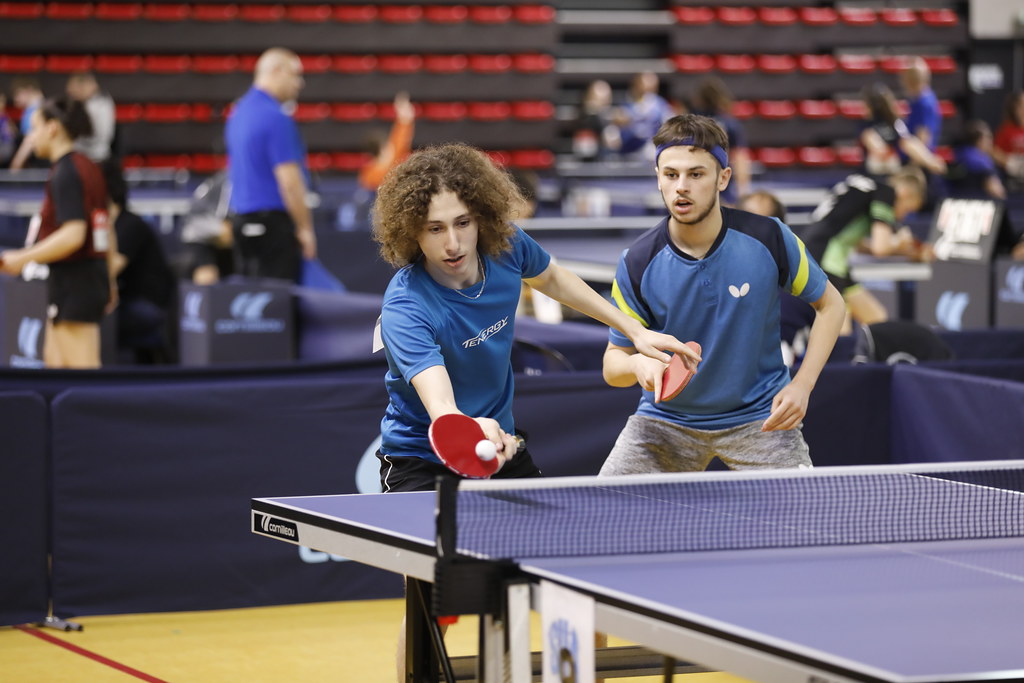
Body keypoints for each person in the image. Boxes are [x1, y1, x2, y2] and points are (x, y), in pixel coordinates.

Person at [371, 143, 693, 680]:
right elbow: (442, 409)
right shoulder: (406, 306)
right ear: (411, 231)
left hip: (502, 449)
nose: (452, 243)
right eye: (433, 229)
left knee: (564, 578)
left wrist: (634, 330)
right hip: (423, 458)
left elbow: (555, 280)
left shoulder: (504, 246)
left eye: (462, 222)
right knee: (433, 602)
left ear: (482, 216)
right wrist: (473, 427)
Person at [600, 114, 845, 475]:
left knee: (807, 523)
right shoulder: (637, 261)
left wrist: (802, 385)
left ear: (723, 178)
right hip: (665, 422)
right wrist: (637, 364)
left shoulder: (769, 238)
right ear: (658, 179)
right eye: (671, 174)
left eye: (696, 174)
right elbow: (612, 363)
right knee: (602, 515)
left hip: (760, 419)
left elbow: (832, 305)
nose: (681, 186)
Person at [0, 96, 116, 368]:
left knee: (82, 376)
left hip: (75, 283)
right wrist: (108, 278)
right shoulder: (88, 166)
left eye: (35, 127)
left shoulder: (67, 172)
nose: (31, 136)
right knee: (55, 365)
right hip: (87, 279)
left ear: (52, 128)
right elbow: (105, 228)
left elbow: (74, 234)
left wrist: (23, 258)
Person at [225, 47, 316, 281]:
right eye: (295, 74)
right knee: (278, 310)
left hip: (241, 224)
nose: (300, 83)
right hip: (273, 228)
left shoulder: (237, 113)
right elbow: (290, 182)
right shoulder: (276, 117)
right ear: (276, 71)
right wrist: (305, 229)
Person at [800, 168, 928, 331]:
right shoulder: (887, 192)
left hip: (826, 259)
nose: (903, 216)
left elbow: (859, 245)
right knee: (840, 333)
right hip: (824, 262)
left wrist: (907, 252)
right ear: (903, 193)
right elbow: (880, 248)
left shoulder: (865, 186)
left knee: (877, 319)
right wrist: (900, 242)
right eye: (907, 209)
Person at [103, 162, 176, 363]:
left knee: (89, 321)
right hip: (123, 300)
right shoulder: (103, 227)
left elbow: (111, 268)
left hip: (147, 304)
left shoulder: (130, 224)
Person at [859, 83, 946, 178]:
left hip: (896, 164)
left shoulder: (895, 122)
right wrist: (883, 151)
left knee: (908, 143)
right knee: (871, 138)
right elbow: (872, 142)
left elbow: (907, 141)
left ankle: (930, 162)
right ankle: (928, 163)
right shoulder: (866, 125)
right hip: (878, 165)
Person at [691, 76, 752, 203]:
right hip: (721, 178)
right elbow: (740, 156)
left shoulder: (694, 124)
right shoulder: (729, 123)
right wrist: (743, 188)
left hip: (697, 176)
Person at [180, 170, 235, 284]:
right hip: (198, 227)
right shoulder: (229, 179)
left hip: (199, 227)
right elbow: (225, 229)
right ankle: (205, 297)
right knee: (208, 274)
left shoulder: (224, 176)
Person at [611, 71, 676, 158]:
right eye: (645, 83)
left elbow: (671, 125)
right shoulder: (626, 104)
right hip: (628, 149)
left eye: (652, 84)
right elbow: (615, 127)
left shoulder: (660, 105)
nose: (648, 86)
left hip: (650, 149)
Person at [946, 119, 1007, 200]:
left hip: (952, 203)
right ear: (981, 140)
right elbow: (996, 191)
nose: (991, 141)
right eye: (989, 137)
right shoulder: (983, 161)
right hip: (977, 204)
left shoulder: (957, 154)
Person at [65, 71, 116, 165]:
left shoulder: (100, 105)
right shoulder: (85, 105)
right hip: (84, 158)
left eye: (74, 89)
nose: (71, 93)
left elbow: (100, 136)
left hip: (96, 159)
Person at [8, 77, 44, 171]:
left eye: (18, 94)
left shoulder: (37, 111)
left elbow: (29, 142)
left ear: (29, 90)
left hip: (40, 166)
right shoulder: (29, 111)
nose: (15, 99)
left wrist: (14, 168)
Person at [992, 90, 1024, 186]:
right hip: (1013, 176)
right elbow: (994, 152)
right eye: (1021, 106)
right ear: (1014, 109)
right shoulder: (1006, 130)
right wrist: (1010, 162)